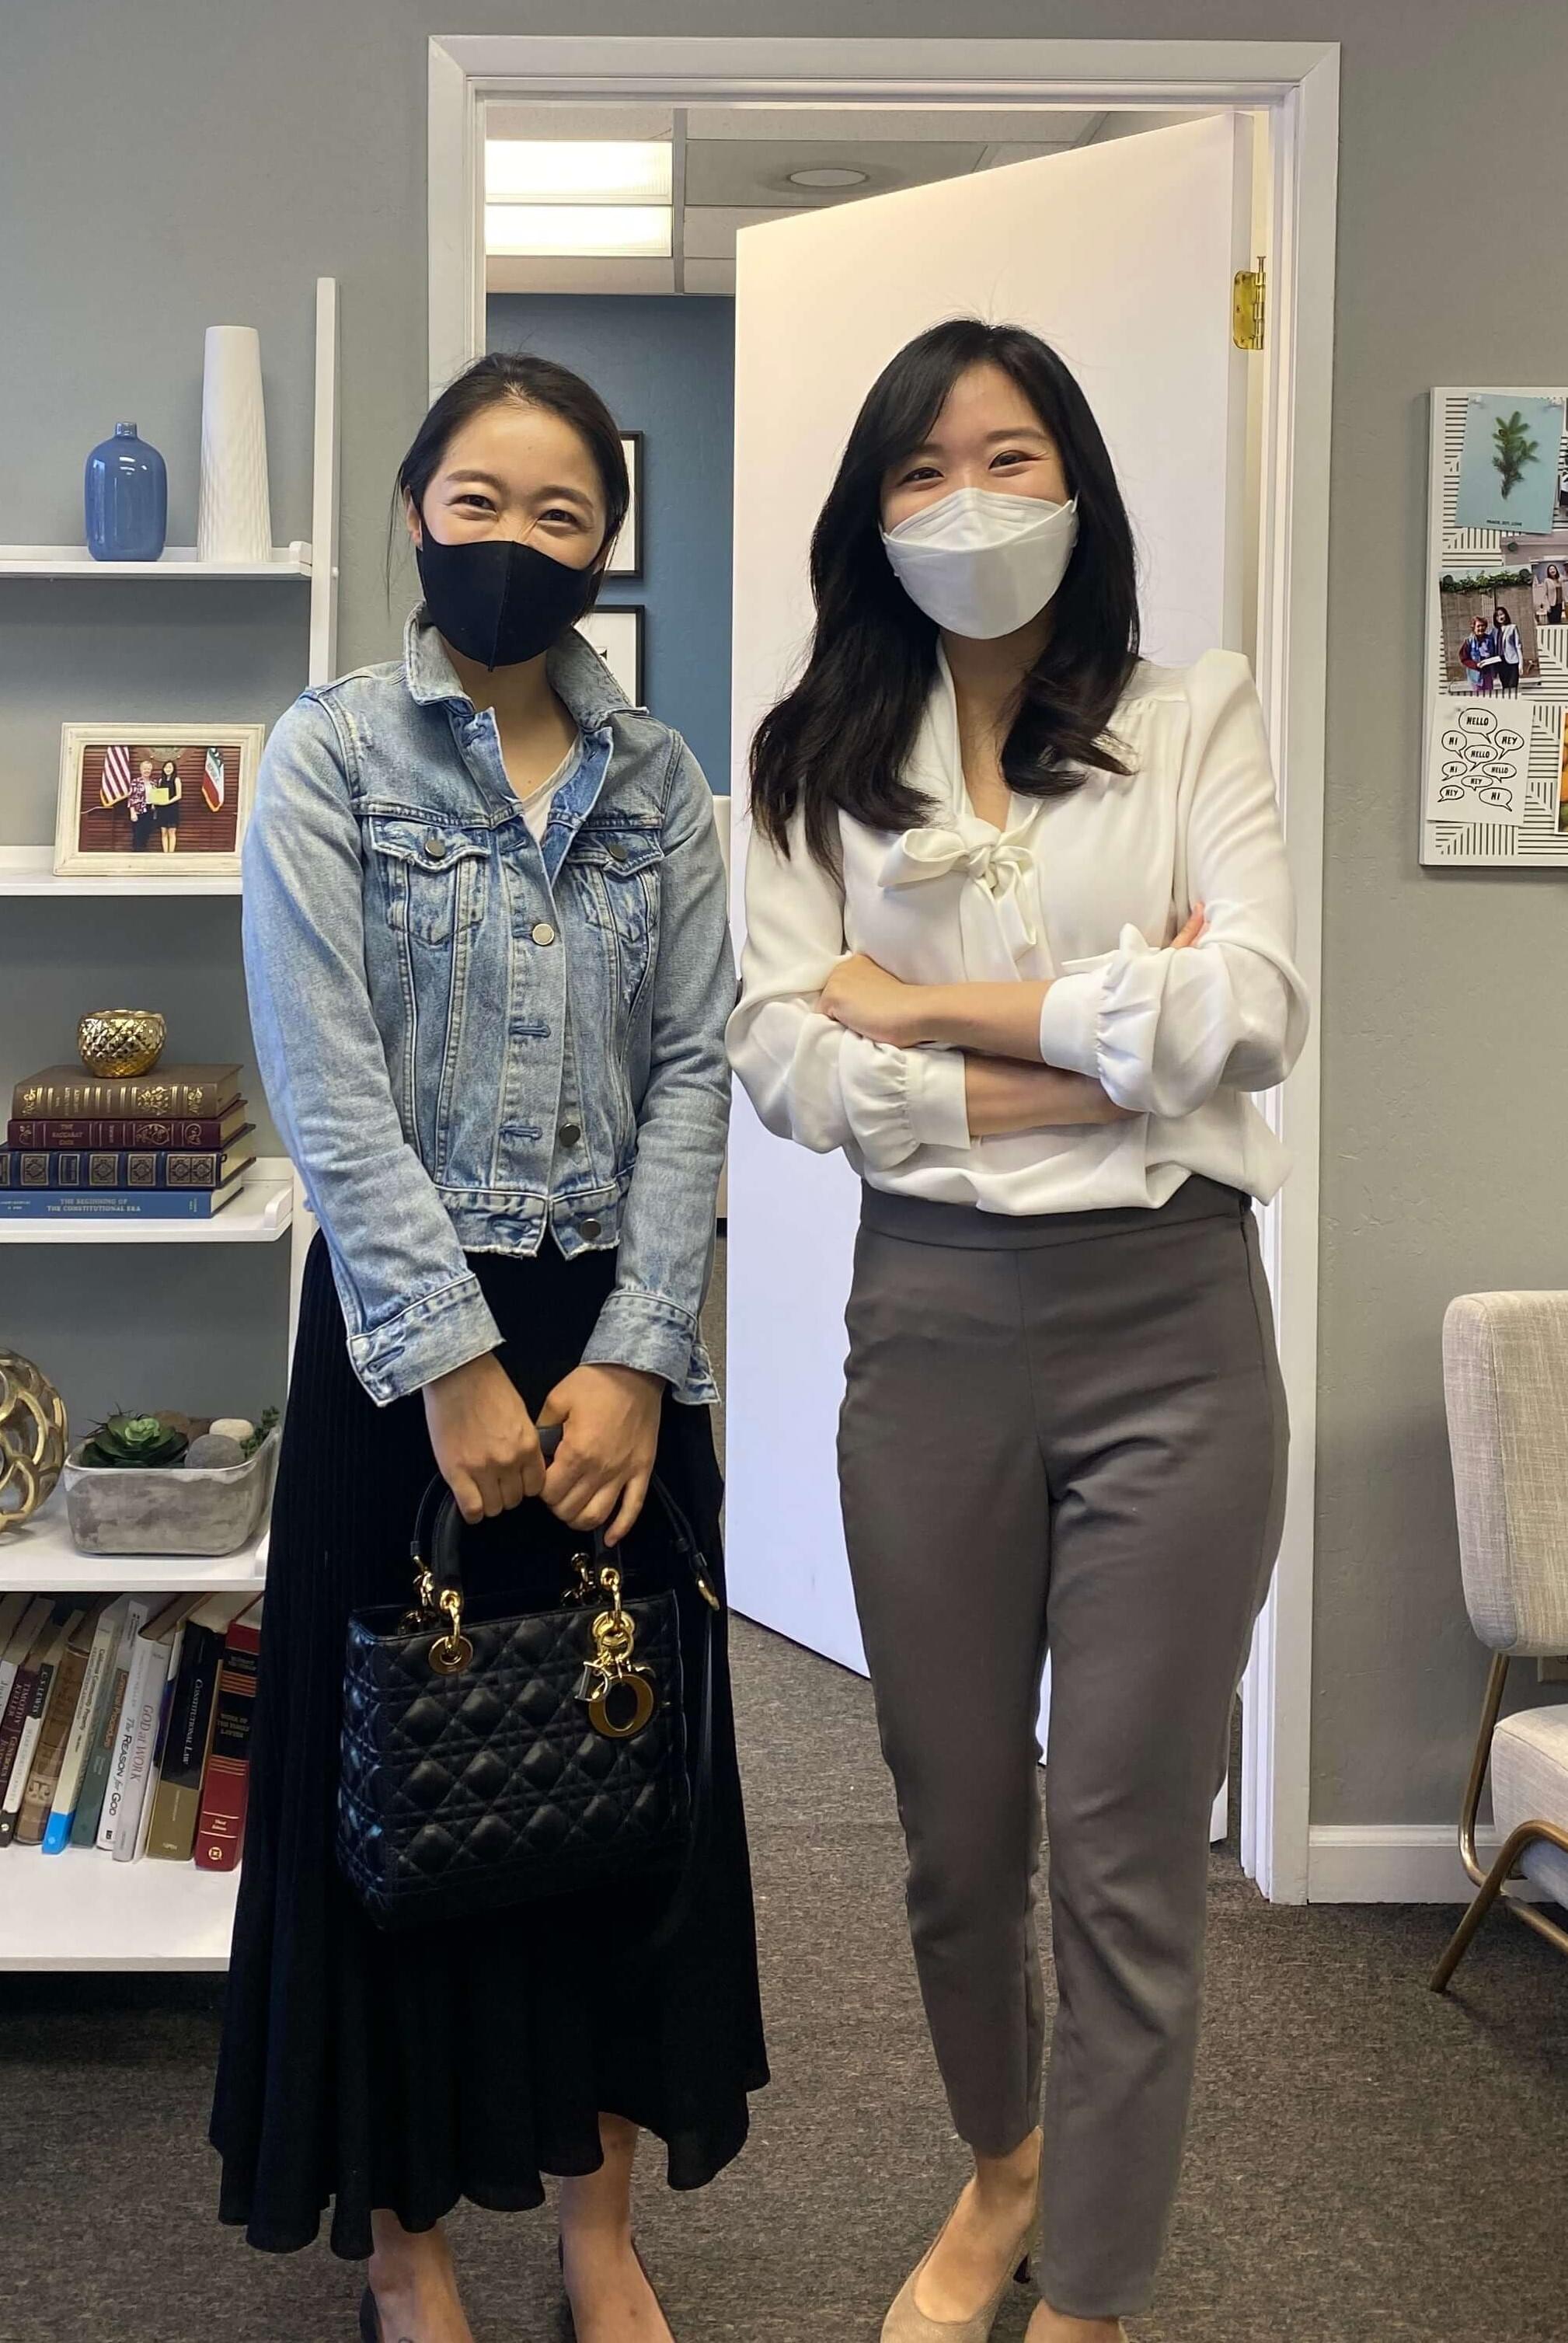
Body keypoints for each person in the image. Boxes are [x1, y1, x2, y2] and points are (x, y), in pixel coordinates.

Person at [729, 318, 1308, 2343]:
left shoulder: (1190, 714)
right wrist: (1093, 1055)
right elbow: (782, 1058)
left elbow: (1252, 1009)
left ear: (1076, 484)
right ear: (870, 510)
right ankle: (1004, 2162)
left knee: (1123, 1844)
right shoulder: (806, 762)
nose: (968, 502)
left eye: (1010, 457)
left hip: (1176, 1330)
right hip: (932, 1327)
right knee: (956, 1827)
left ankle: (1094, 2292)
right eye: (923, 467)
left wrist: (931, 1008)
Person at [214, 350, 767, 2343]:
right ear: (415, 511)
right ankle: (408, 2248)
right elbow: (321, 1075)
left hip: (615, 1345)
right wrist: (449, 1356)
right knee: (404, 1789)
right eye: (478, 501)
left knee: (615, 1793)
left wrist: (637, 1354)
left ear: (605, 544)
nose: (514, 542)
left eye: (561, 513)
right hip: (398, 1347)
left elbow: (696, 1068)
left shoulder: (663, 785)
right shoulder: (329, 756)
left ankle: (599, 2236)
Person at [152, 753, 183, 850]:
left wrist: (168, 802)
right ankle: (165, 854)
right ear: (163, 769)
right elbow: (158, 794)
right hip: (162, 809)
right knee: (163, 832)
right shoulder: (161, 780)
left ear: (173, 769)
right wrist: (155, 801)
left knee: (171, 832)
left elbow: (179, 796)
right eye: (166, 767)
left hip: (172, 808)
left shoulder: (176, 780)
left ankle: (171, 854)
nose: (168, 769)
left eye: (170, 767)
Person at [1460, 615, 1498, 692]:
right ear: (1474, 627)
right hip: (1475, 675)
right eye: (1478, 626)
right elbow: (1464, 658)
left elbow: (1494, 654)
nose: (1481, 628)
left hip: (1488, 674)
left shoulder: (1490, 640)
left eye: (1483, 626)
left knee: (1490, 695)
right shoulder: (1469, 641)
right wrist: (1475, 665)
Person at [1493, 605, 1524, 694]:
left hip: (1512, 662)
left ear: (1506, 615)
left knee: (1513, 686)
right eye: (1497, 616)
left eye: (1502, 614)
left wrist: (1521, 664)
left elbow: (1518, 646)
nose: (1500, 617)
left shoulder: (1513, 627)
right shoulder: (1494, 631)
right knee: (1505, 688)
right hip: (1501, 663)